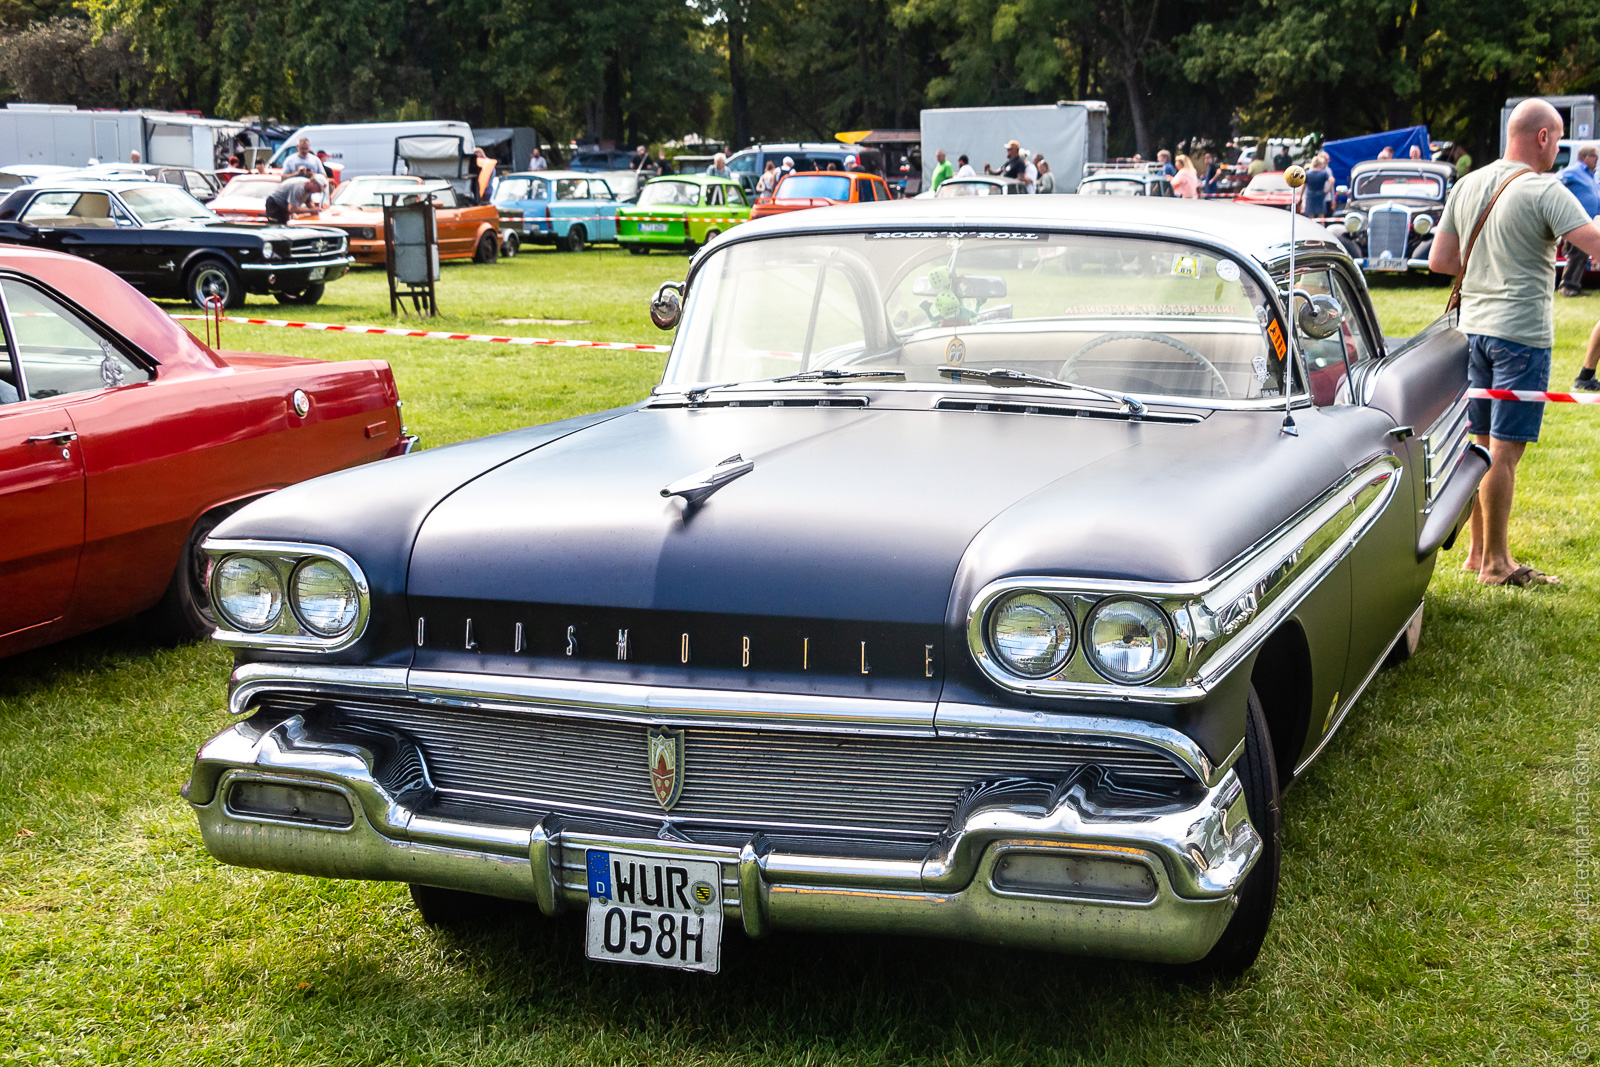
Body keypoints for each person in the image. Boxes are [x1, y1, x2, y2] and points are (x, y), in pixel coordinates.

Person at [1429, 97, 1600, 586]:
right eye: (1558, 139)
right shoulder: (1544, 189)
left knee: (1480, 446)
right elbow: (1595, 246)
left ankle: (1477, 553)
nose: (1559, 150)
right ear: (1543, 137)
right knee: (1505, 452)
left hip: (1472, 331)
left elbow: (1441, 260)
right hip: (1520, 334)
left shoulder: (1467, 183)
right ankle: (1498, 564)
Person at [1557, 143, 1599, 296]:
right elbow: (1556, 181)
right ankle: (1567, 287)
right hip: (1575, 222)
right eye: (1594, 155)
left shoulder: (1592, 175)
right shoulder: (1572, 172)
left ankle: (1574, 286)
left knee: (1582, 255)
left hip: (1589, 221)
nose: (1597, 159)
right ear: (1583, 157)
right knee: (1576, 254)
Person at [1302, 152, 1334, 218]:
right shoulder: (1324, 172)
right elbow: (1332, 180)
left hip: (1310, 196)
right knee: (1321, 216)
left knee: (1310, 217)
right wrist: (1327, 191)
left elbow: (1303, 186)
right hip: (1321, 195)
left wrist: (1301, 196)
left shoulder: (1308, 173)